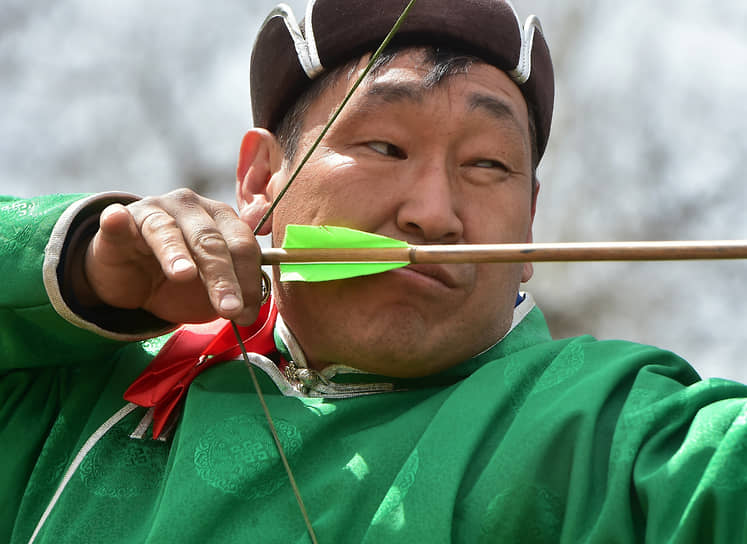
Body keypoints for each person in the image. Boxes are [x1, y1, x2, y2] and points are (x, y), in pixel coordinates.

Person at [2, 1, 745, 542]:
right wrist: (74, 269)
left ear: (527, 221)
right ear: (260, 179)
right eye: (385, 146)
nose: (433, 213)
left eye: (487, 165)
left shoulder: (614, 432)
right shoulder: (76, 393)